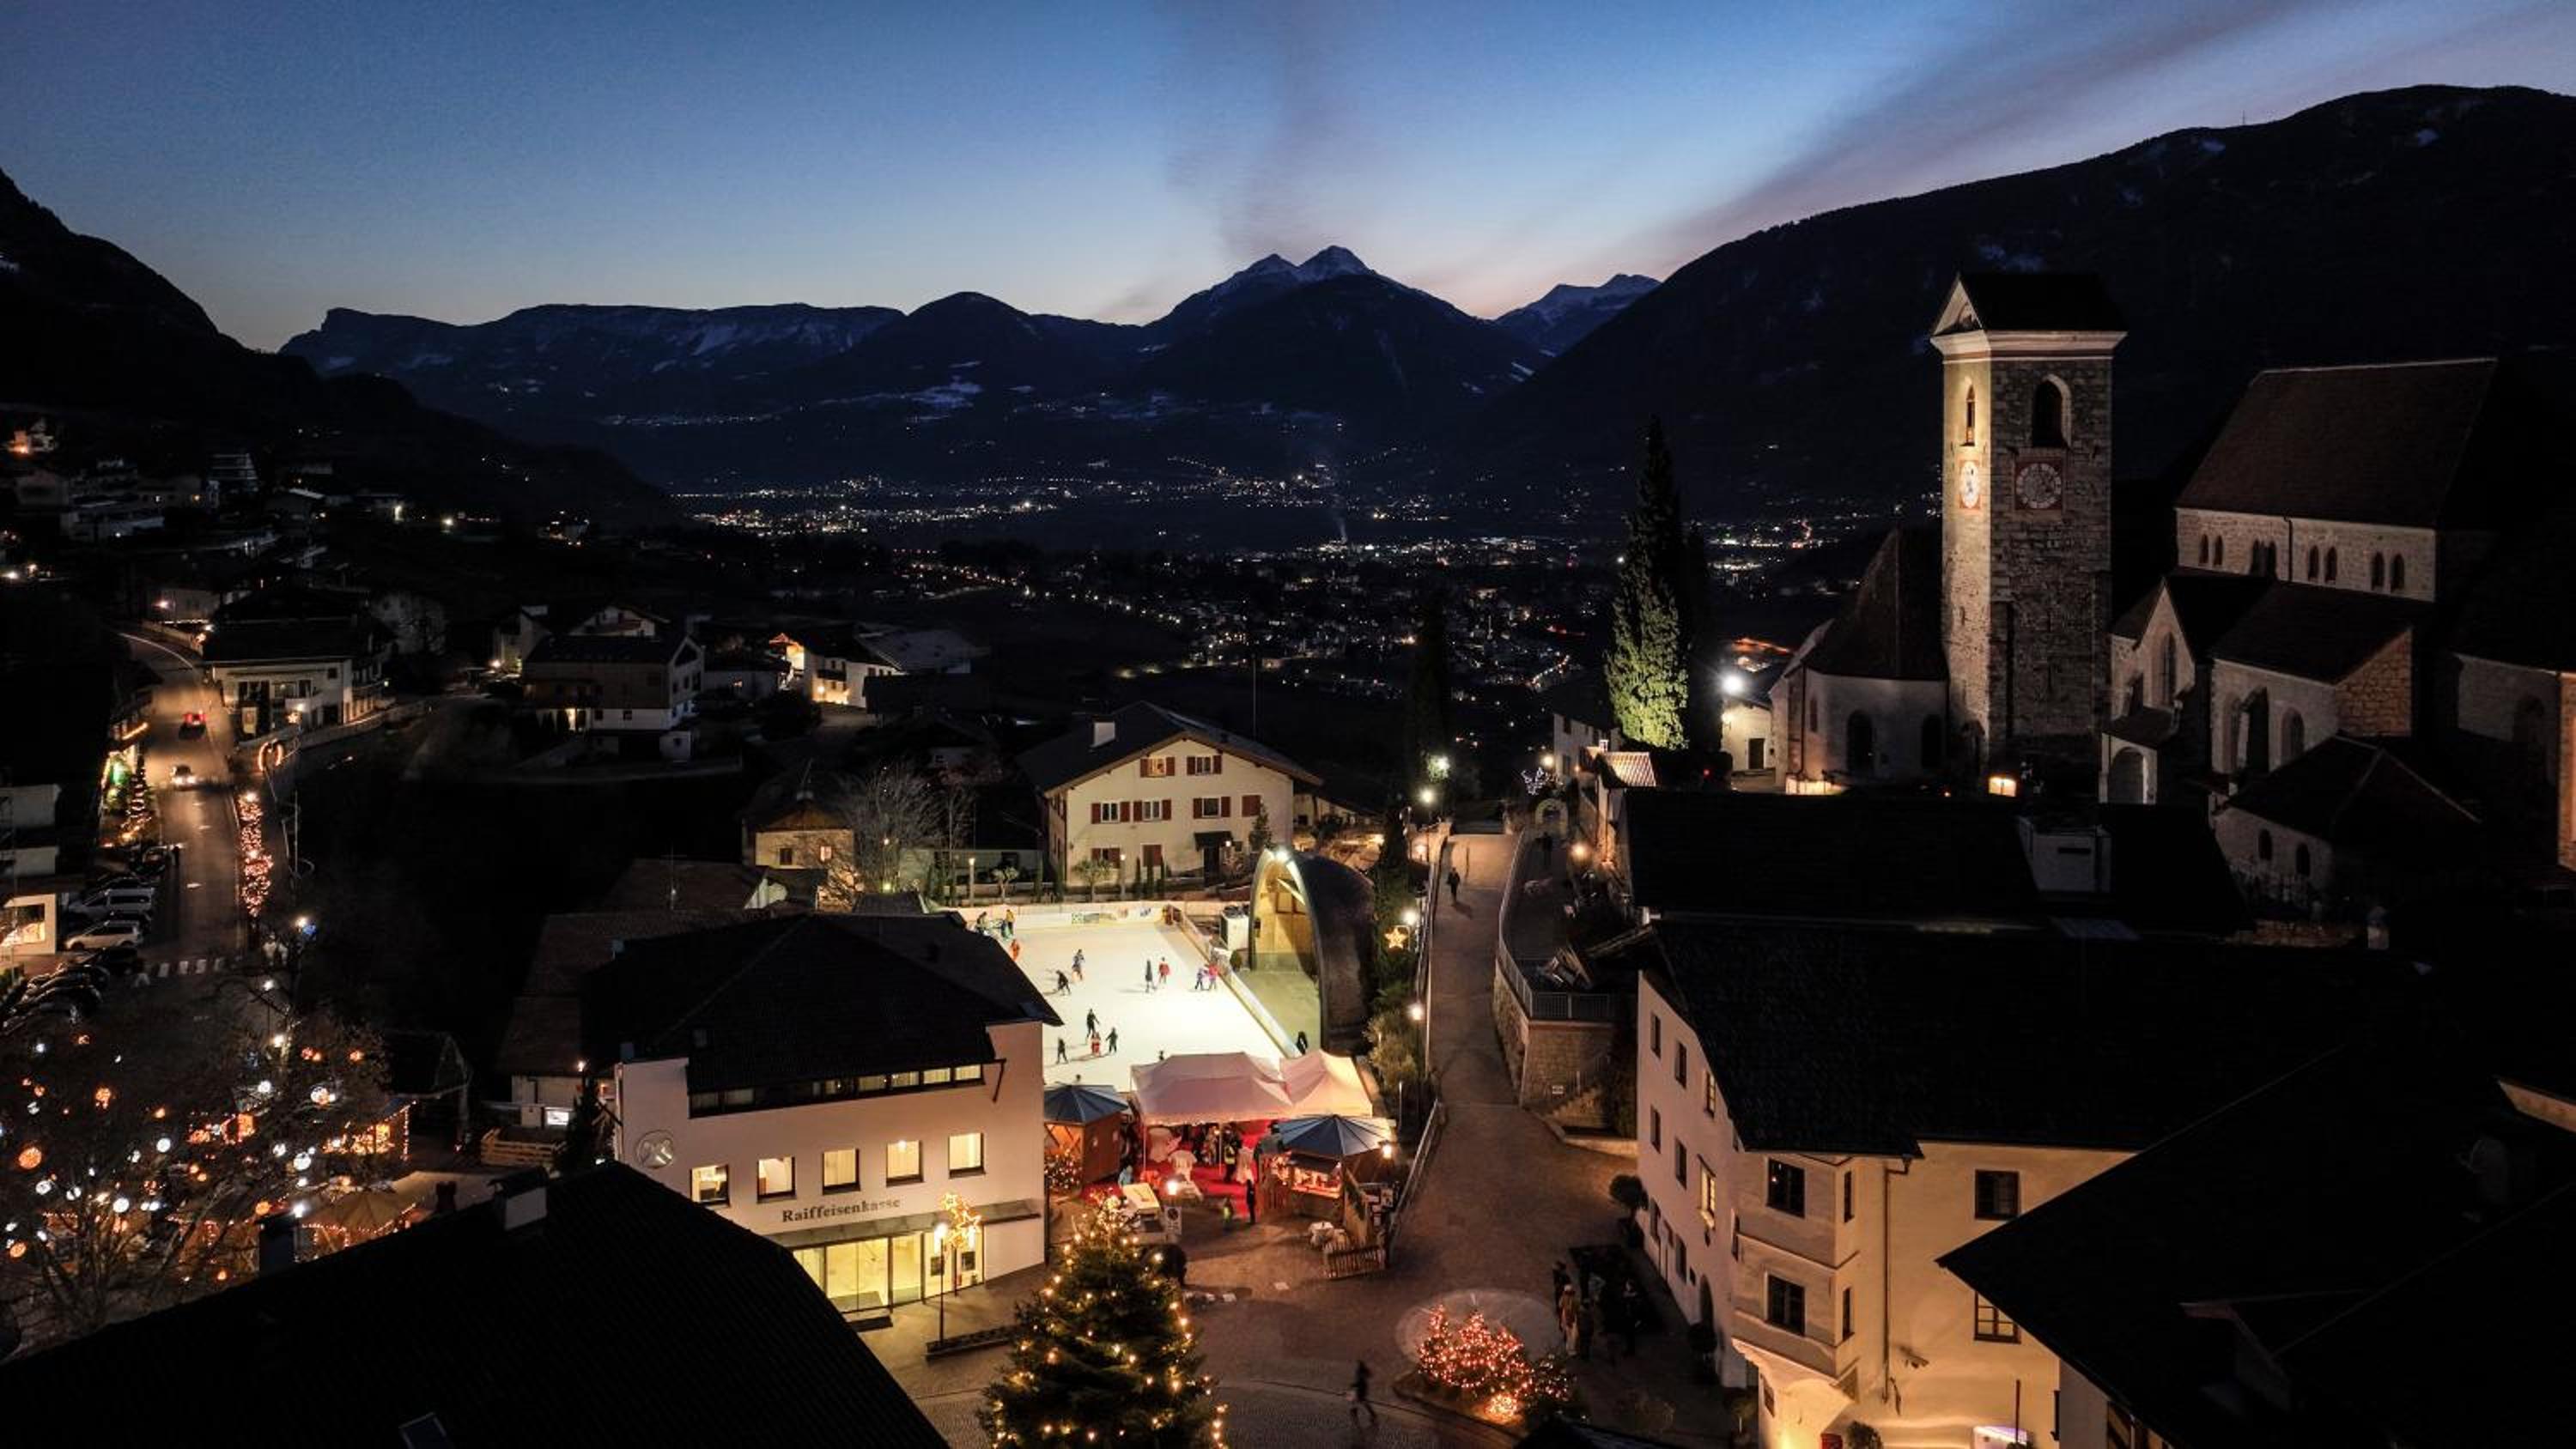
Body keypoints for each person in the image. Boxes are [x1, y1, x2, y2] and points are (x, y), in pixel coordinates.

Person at [1347, 1359, 1377, 1430]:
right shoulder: (1361, 1371)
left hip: (1361, 1390)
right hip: (1362, 1390)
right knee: (1361, 1402)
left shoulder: (1360, 1373)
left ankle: (1355, 1412)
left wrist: (1353, 1385)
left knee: (1360, 1402)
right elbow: (1369, 1375)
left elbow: (1359, 1382)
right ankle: (1372, 1414)